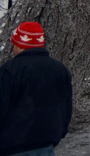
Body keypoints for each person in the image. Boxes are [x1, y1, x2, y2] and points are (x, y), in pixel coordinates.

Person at [0, 21, 72, 156]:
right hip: (46, 146)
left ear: (20, 44)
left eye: (14, 44)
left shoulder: (8, 71)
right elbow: (66, 109)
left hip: (12, 148)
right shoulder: (60, 70)